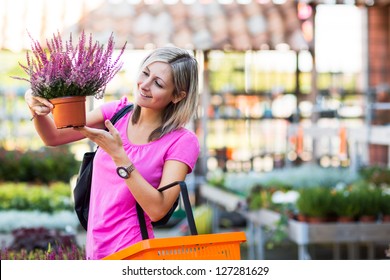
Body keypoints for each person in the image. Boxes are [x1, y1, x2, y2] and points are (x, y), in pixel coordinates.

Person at [24, 46, 200, 260]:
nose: (144, 85)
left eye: (158, 83)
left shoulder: (182, 141)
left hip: (134, 252)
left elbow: (158, 210)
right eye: (145, 73)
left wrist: (120, 156)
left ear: (177, 95)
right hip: (96, 248)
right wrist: (35, 108)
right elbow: (53, 137)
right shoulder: (116, 113)